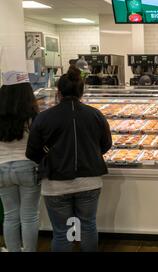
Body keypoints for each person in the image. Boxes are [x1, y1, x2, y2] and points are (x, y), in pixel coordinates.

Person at [26, 66, 112, 252]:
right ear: (82, 91)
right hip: (89, 181)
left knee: (62, 232)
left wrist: (50, 157)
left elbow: (32, 152)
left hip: (55, 185)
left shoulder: (44, 117)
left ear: (58, 92)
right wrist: (90, 154)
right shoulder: (95, 114)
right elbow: (105, 145)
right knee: (88, 226)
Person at [0, 71, 41, 252]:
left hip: (1, 167)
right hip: (27, 166)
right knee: (29, 216)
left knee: (10, 216)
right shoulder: (32, 114)